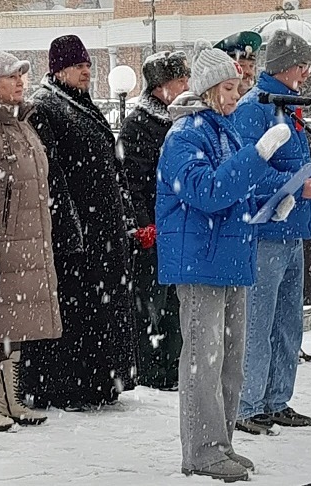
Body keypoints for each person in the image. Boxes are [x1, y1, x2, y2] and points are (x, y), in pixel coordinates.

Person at [157, 39, 293, 482]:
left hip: (232, 259)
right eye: (231, 88)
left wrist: (281, 199)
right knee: (204, 360)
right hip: (200, 263)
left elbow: (241, 193)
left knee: (231, 362)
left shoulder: (228, 128)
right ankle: (201, 450)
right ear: (210, 88)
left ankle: (222, 444)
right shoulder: (184, 135)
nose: (238, 95)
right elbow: (209, 193)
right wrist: (257, 157)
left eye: (239, 86)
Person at [233, 29, 311, 435]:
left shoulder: (289, 107)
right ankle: (247, 404)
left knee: (287, 322)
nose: (306, 72)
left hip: (295, 230)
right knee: (258, 322)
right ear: (283, 67)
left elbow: (296, 164)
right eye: (301, 65)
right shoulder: (255, 108)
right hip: (265, 234)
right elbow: (250, 173)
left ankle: (277, 399)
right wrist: (301, 187)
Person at [21, 34, 137, 411]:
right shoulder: (46, 107)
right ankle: (70, 385)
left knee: (100, 310)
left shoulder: (83, 105)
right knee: (77, 311)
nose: (86, 71)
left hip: (103, 229)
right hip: (78, 233)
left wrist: (125, 214)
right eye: (77, 65)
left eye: (87, 64)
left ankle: (102, 381)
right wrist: (69, 227)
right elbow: (51, 176)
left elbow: (111, 166)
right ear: (58, 70)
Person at [0, 51, 62, 431]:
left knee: (14, 321)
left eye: (22, 76)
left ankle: (11, 399)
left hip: (26, 243)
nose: (20, 83)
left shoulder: (20, 124)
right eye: (11, 77)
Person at [117, 50, 190, 391]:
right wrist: (143, 223)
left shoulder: (178, 119)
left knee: (174, 303)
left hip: (177, 226)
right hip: (154, 229)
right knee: (151, 305)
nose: (186, 85)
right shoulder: (140, 124)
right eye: (180, 80)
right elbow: (130, 179)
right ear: (161, 86)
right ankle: (150, 368)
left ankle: (172, 364)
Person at [214, 31, 262, 96]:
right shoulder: (214, 104)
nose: (249, 72)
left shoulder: (261, 99)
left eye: (251, 66)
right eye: (241, 65)